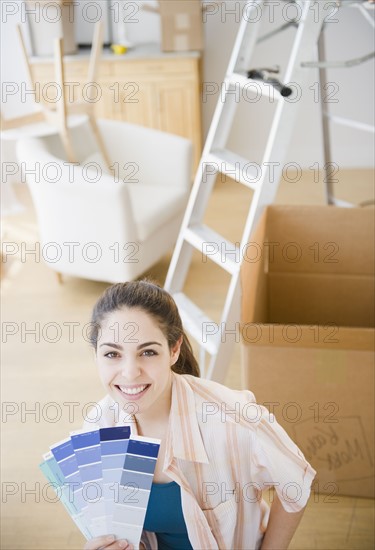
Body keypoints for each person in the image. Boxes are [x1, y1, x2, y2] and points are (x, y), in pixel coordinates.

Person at [83, 280, 316, 550]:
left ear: (173, 350)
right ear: (96, 356)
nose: (130, 372)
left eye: (148, 352)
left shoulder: (233, 419)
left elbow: (296, 482)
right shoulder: (98, 428)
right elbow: (105, 522)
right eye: (112, 353)